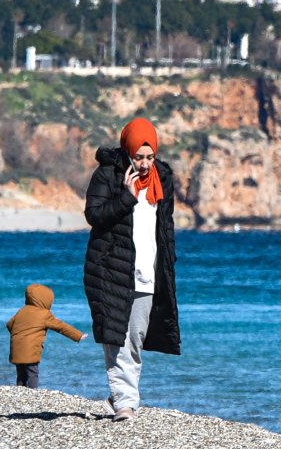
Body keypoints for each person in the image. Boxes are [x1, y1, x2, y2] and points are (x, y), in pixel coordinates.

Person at [84, 117, 181, 422]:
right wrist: (126, 196)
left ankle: (119, 397)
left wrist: (169, 260)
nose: (144, 164)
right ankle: (126, 403)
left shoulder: (162, 178)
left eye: (150, 157)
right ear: (127, 151)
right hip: (112, 268)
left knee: (136, 338)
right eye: (138, 157)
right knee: (118, 336)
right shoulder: (107, 175)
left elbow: (165, 224)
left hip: (148, 269)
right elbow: (94, 216)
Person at [5, 283, 87, 388]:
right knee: (32, 372)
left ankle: (20, 391)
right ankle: (32, 392)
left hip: (16, 347)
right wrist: (78, 335)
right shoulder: (44, 314)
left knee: (21, 373)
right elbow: (61, 326)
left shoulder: (21, 311)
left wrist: (18, 335)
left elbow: (9, 324)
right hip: (31, 349)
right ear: (45, 299)